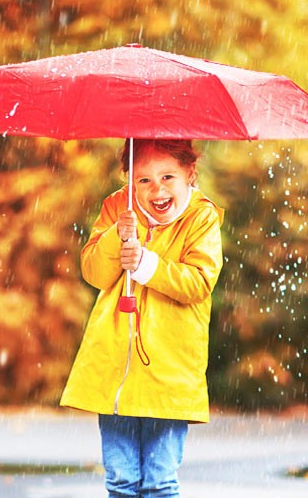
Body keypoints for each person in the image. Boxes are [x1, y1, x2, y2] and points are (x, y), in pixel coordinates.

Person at [61, 139, 223, 498]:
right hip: (117, 365)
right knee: (120, 480)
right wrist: (115, 239)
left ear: (189, 174)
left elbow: (198, 283)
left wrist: (147, 264)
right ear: (129, 179)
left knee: (159, 482)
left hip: (169, 369)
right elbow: (95, 273)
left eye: (168, 177)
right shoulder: (119, 207)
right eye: (144, 180)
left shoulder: (202, 217)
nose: (157, 189)